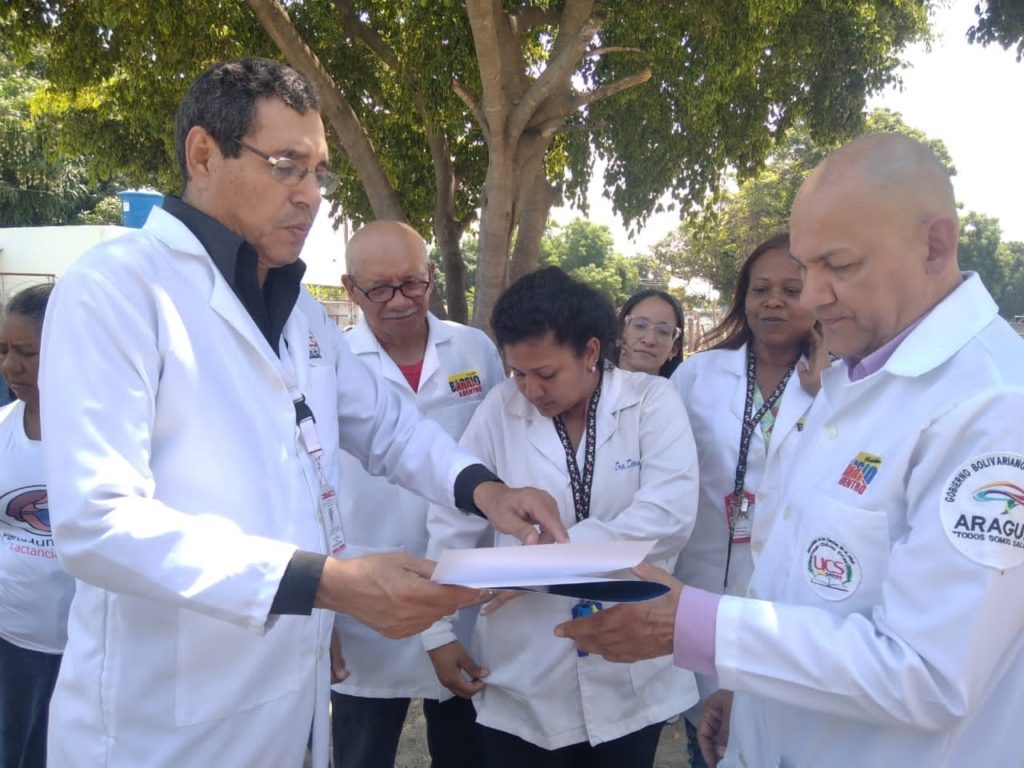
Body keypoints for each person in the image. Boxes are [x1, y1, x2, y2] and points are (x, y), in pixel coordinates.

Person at [38, 58, 566, 768]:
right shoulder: (118, 290)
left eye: (319, 173)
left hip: (288, 706)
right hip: (162, 727)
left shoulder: (299, 315)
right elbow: (96, 524)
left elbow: (389, 427)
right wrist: (327, 583)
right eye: (287, 166)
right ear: (204, 155)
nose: (311, 195)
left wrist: (487, 490)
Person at [556, 133, 1024, 767]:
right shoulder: (851, 379)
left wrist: (696, 627)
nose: (811, 297)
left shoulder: (994, 407)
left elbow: (928, 673)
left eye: (840, 265)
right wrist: (747, 689)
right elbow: (798, 584)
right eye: (808, 269)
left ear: (935, 245)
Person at [422, 266, 700, 768]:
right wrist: (437, 633)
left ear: (591, 352)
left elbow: (667, 516)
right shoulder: (499, 409)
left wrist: (541, 567)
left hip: (630, 669)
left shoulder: (650, 401)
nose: (530, 390)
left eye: (546, 374)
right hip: (524, 669)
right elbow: (454, 520)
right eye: (518, 373)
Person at [330, 220, 503, 768]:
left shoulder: (473, 349)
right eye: (380, 288)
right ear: (350, 289)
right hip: (364, 591)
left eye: (412, 283)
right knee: (363, 749)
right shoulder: (330, 362)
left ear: (431, 275)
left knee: (464, 749)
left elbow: (500, 444)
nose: (401, 300)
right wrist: (321, 612)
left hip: (459, 581)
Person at [669, 232, 821, 766]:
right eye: (761, 290)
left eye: (791, 290)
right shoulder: (698, 375)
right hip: (706, 581)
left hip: (796, 600)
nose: (773, 301)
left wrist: (832, 390)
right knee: (708, 737)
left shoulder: (846, 382)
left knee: (779, 734)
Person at [0, 283, 74, 768]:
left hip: (86, 648)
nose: (11, 366)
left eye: (27, 353)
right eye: (3, 350)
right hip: (12, 644)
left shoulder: (107, 437)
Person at [614, 289, 685, 377]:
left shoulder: (674, 386)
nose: (649, 340)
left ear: (674, 349)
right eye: (640, 326)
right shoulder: (599, 381)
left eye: (663, 331)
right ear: (620, 332)